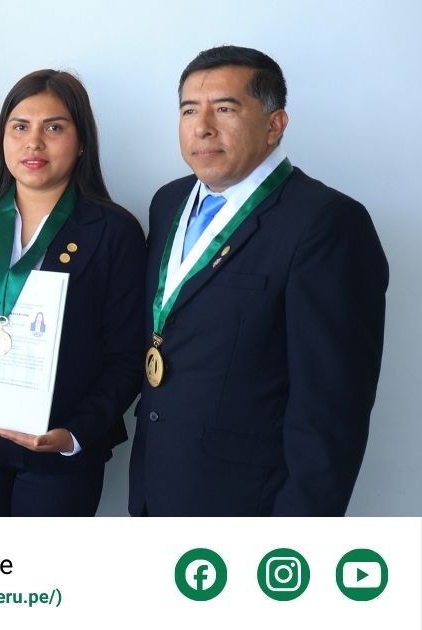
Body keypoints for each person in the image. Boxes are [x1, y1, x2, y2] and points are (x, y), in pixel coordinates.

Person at [129, 45, 388, 516]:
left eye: (225, 109)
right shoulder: (168, 202)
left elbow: (331, 409)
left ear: (275, 125)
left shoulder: (327, 223)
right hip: (157, 486)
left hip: (248, 505)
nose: (202, 127)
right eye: (189, 110)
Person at [0, 70, 145, 516]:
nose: (34, 143)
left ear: (82, 142)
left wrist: (75, 434)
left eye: (53, 128)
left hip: (58, 447)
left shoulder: (115, 232)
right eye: (20, 127)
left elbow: (128, 356)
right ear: (3, 139)